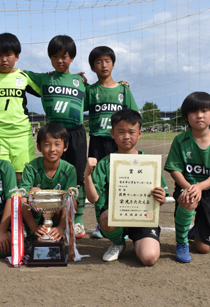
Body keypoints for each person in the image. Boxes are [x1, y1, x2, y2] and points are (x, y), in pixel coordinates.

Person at [84, 109, 168, 266]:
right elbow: (93, 198)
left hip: (143, 219)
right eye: (121, 132)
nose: (127, 136)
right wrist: (87, 175)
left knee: (149, 258)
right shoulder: (106, 163)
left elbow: (160, 198)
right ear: (112, 133)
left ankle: (140, 242)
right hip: (116, 219)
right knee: (106, 217)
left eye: (132, 132)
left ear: (140, 133)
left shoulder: (149, 163)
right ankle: (118, 243)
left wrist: (161, 198)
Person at [24, 35, 87, 239]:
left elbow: (100, 91)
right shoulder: (44, 78)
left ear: (72, 57)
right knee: (54, 172)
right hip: (55, 133)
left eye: (64, 56)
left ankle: (77, 220)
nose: (60, 60)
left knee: (78, 177)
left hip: (76, 133)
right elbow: (17, 73)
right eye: (55, 56)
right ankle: (47, 216)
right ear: (50, 58)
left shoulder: (80, 81)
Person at [164, 92, 210, 263]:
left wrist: (201, 187)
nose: (199, 115)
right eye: (193, 112)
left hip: (209, 190)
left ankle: (193, 232)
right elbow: (175, 170)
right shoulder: (180, 140)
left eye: (204, 111)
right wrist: (189, 187)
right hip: (185, 186)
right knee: (189, 199)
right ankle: (181, 242)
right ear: (186, 117)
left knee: (203, 248)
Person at [85, 46, 140, 239]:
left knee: (120, 181)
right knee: (99, 182)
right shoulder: (90, 91)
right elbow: (74, 101)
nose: (103, 65)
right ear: (93, 67)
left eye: (107, 61)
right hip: (97, 141)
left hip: (118, 143)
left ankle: (124, 222)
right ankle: (101, 222)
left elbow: (134, 116)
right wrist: (75, 81)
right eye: (98, 62)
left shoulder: (123, 90)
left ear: (113, 63)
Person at [0, 33, 41, 183]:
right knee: (0, 176)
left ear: (17, 56)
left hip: (21, 135)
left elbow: (44, 90)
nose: (4, 59)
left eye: (8, 55)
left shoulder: (24, 77)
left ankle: (20, 207)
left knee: (21, 177)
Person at [19, 123, 77, 247]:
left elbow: (70, 203)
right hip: (35, 214)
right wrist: (35, 228)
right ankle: (31, 232)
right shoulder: (31, 168)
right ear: (39, 147)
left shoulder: (69, 169)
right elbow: (23, 199)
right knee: (29, 193)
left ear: (65, 147)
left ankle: (58, 230)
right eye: (47, 144)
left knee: (70, 200)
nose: (52, 149)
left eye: (57, 144)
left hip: (57, 215)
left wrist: (61, 227)